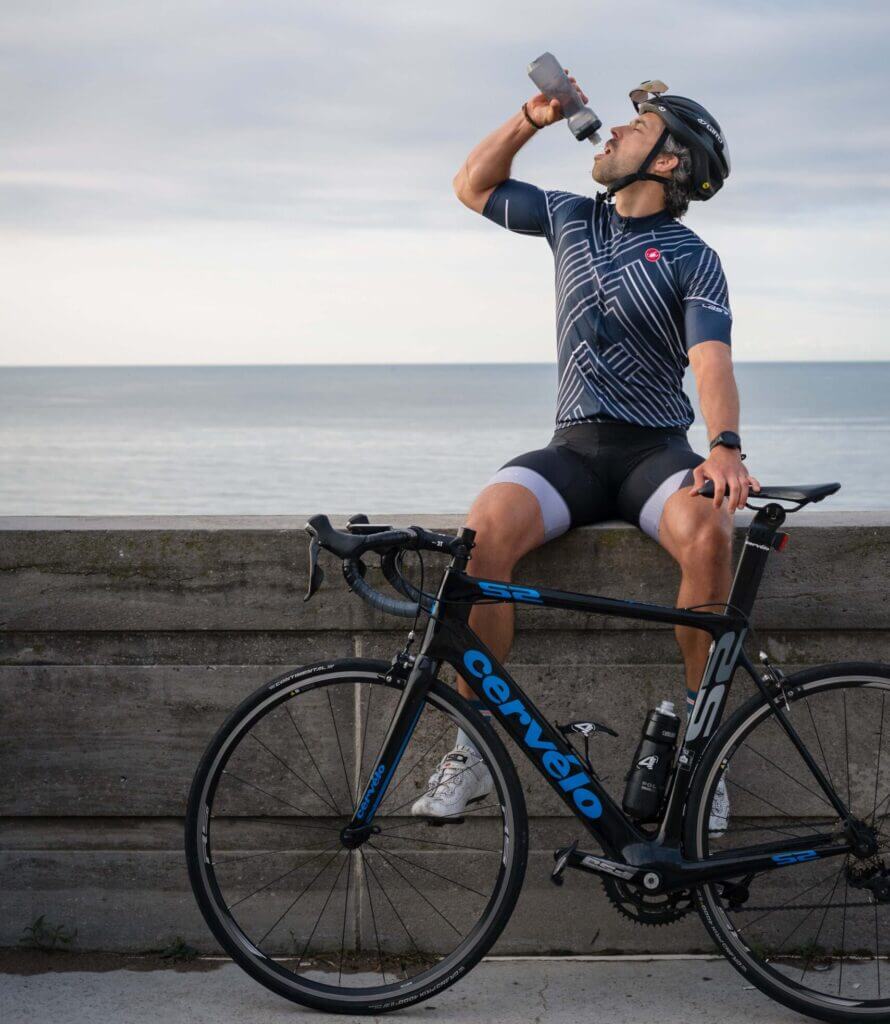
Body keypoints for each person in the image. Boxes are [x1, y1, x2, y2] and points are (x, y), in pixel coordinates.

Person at [411, 73, 760, 836]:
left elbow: (711, 362)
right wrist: (532, 117)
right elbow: (473, 186)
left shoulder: (691, 256)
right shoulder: (571, 219)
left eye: (638, 130)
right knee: (483, 535)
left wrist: (724, 446)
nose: (612, 134)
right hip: (571, 449)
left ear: (669, 163)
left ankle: (706, 757)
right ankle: (473, 750)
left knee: (708, 532)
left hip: (653, 454)